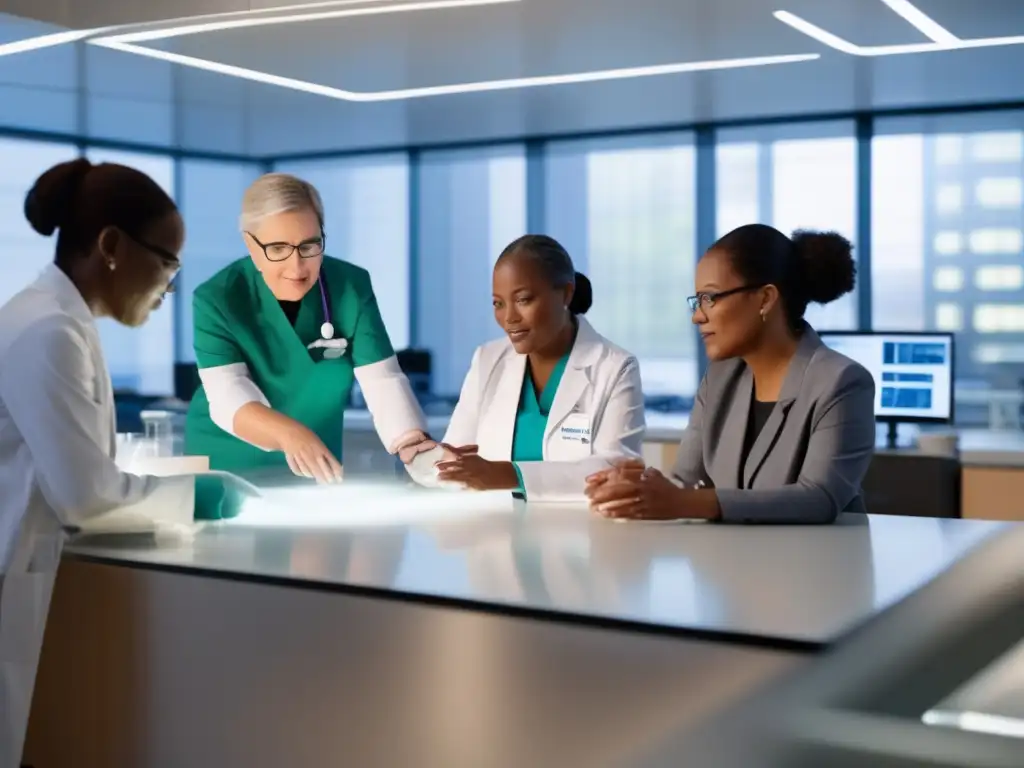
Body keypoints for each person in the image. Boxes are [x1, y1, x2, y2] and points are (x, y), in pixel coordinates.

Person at [0, 159, 215, 768]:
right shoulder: (46, 329)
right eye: (168, 263)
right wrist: (196, 497)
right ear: (112, 245)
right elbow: (84, 493)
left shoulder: (60, 320)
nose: (169, 287)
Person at [586, 223, 875, 524]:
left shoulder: (842, 381)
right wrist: (637, 487)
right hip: (729, 565)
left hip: (817, 566)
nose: (698, 316)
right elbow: (685, 482)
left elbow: (819, 499)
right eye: (697, 302)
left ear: (765, 298)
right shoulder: (720, 378)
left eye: (709, 298)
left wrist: (686, 501)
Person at [184, 173, 434, 516]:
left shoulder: (350, 286)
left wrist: (412, 445)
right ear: (249, 245)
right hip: (227, 462)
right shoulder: (217, 298)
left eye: (309, 245)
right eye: (277, 249)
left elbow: (382, 378)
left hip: (316, 465)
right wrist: (288, 434)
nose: (297, 266)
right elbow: (227, 395)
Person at [434, 235, 645, 500]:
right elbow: (452, 459)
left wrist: (506, 475)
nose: (509, 318)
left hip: (579, 533)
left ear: (566, 294)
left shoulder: (615, 367)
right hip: (494, 532)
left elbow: (616, 468)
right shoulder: (487, 359)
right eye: (498, 303)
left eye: (523, 299)